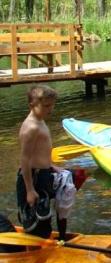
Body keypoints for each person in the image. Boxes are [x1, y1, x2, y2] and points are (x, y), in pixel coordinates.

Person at [17, 85, 66, 239]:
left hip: (42, 174)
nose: (50, 109)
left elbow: (39, 151)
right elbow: (25, 160)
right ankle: (33, 253)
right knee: (36, 222)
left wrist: (50, 166)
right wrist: (30, 190)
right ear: (32, 105)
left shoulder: (40, 121)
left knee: (45, 219)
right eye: (46, 106)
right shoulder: (31, 127)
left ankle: (45, 243)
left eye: (52, 105)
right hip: (33, 178)